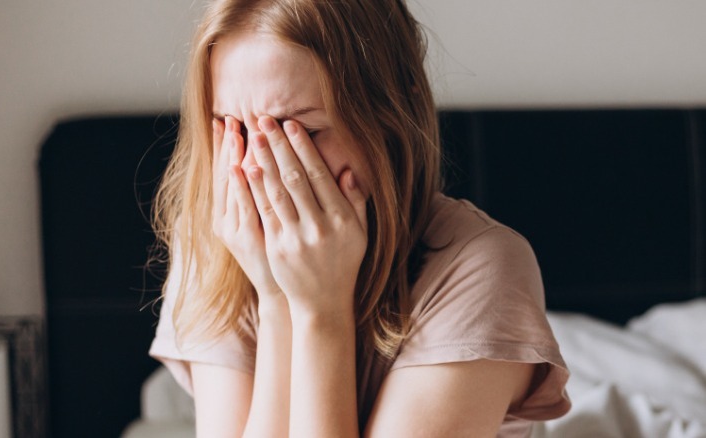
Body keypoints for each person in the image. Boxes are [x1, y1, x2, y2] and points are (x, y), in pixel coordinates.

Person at [149, 0, 571, 436]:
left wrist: (320, 312)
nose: (258, 169)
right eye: (231, 127)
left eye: (301, 132)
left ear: (388, 120)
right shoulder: (216, 242)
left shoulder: (482, 266)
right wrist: (277, 300)